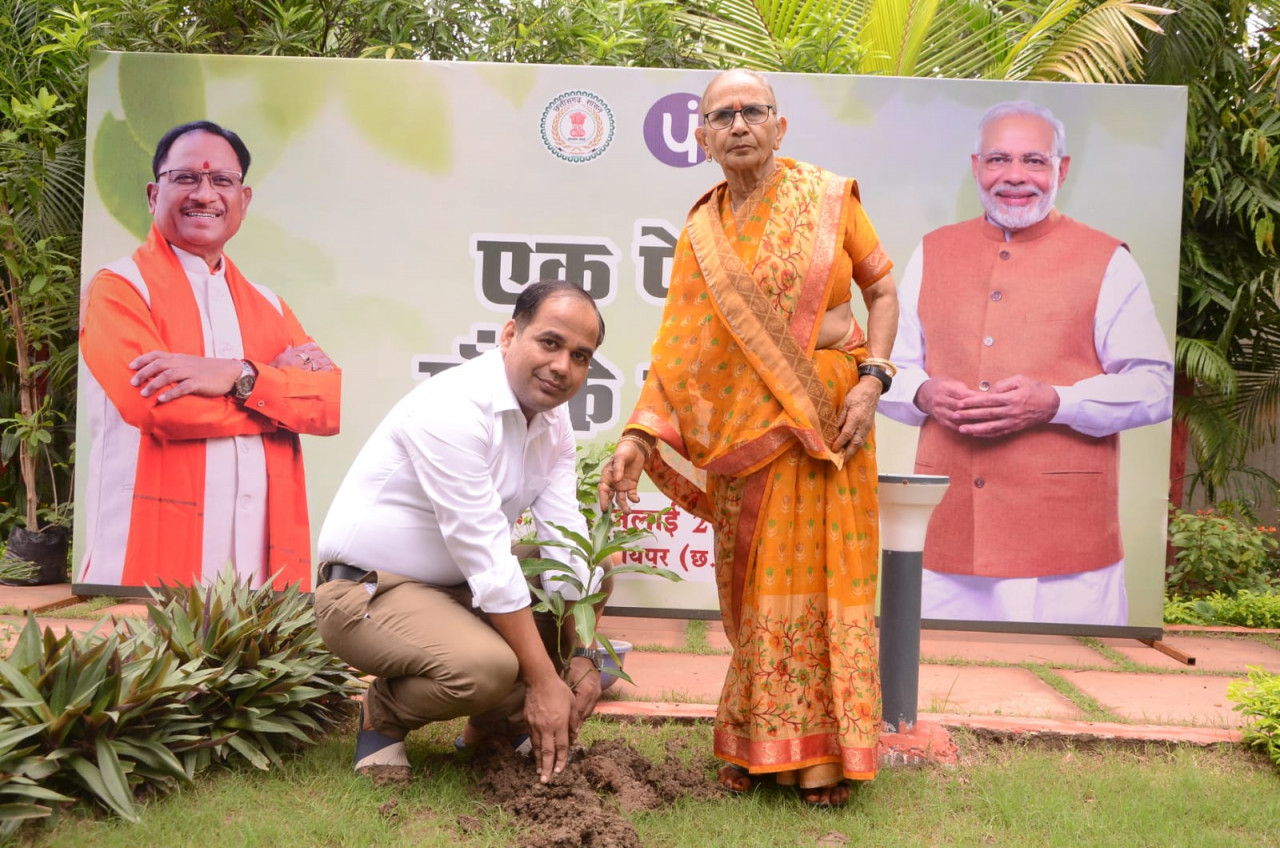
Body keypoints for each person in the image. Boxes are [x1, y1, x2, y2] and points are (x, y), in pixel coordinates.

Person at [599, 70, 898, 806]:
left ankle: (824, 758)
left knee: (821, 583)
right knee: (757, 589)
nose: (739, 125)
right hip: (744, 433)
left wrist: (873, 379)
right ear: (701, 137)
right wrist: (639, 435)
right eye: (722, 115)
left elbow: (882, 290)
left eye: (753, 111)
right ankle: (755, 740)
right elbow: (680, 353)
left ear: (779, 125)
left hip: (826, 423)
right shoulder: (700, 233)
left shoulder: (829, 199)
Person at [877, 100, 1174, 626]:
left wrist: (1056, 402)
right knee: (936, 673)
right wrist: (923, 393)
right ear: (976, 167)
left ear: (1062, 169)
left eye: (1034, 160)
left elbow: (1154, 387)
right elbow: (888, 369)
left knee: (1074, 671)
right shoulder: (931, 252)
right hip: (945, 531)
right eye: (999, 159)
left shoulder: (1108, 259)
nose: (1015, 176)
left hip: (1066, 546)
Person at [314, 280, 610, 785]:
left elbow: (564, 536)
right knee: (485, 667)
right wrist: (545, 681)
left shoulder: (552, 419)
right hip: (369, 591)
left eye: (580, 356)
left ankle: (497, 725)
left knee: (590, 567)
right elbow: (488, 559)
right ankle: (382, 715)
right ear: (510, 334)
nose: (563, 366)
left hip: (458, 588)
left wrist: (584, 655)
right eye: (550, 343)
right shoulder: (453, 408)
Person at [78, 120, 340, 591]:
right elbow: (159, 409)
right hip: (147, 561)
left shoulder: (268, 304)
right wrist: (275, 397)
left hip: (260, 572)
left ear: (244, 199)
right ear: (154, 195)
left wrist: (234, 375)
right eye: (185, 178)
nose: (204, 194)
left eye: (222, 180)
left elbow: (325, 404)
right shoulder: (120, 289)